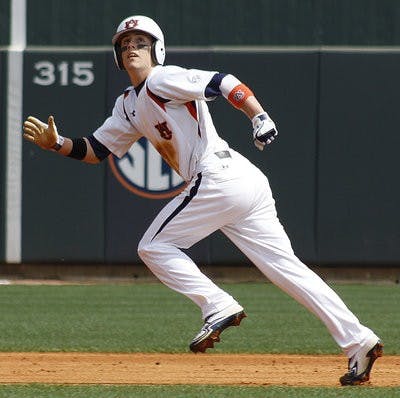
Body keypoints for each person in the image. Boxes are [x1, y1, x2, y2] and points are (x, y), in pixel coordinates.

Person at [23, 15, 383, 385]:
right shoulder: (129, 104)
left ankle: (217, 305)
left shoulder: (163, 79)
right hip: (240, 181)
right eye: (125, 43)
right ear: (117, 54)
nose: (131, 47)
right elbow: (96, 150)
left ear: (157, 49)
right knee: (287, 268)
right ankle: (358, 341)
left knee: (154, 246)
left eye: (140, 42)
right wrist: (57, 144)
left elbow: (222, 81)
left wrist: (258, 114)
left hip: (217, 175)